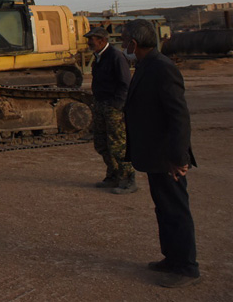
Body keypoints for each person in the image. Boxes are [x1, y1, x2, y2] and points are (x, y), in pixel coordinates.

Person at [121, 19, 200, 288]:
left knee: (176, 211)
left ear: (134, 42)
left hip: (167, 157)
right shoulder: (146, 65)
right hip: (155, 155)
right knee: (164, 210)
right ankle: (172, 259)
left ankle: (187, 268)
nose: (122, 44)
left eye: (124, 39)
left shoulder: (163, 68)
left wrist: (179, 158)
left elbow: (179, 117)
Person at [83, 26, 135, 193]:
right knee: (101, 143)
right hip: (101, 105)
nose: (89, 43)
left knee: (117, 144)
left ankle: (128, 179)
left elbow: (125, 84)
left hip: (113, 107)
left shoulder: (115, 57)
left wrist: (116, 105)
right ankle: (113, 176)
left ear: (102, 40)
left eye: (91, 40)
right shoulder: (99, 57)